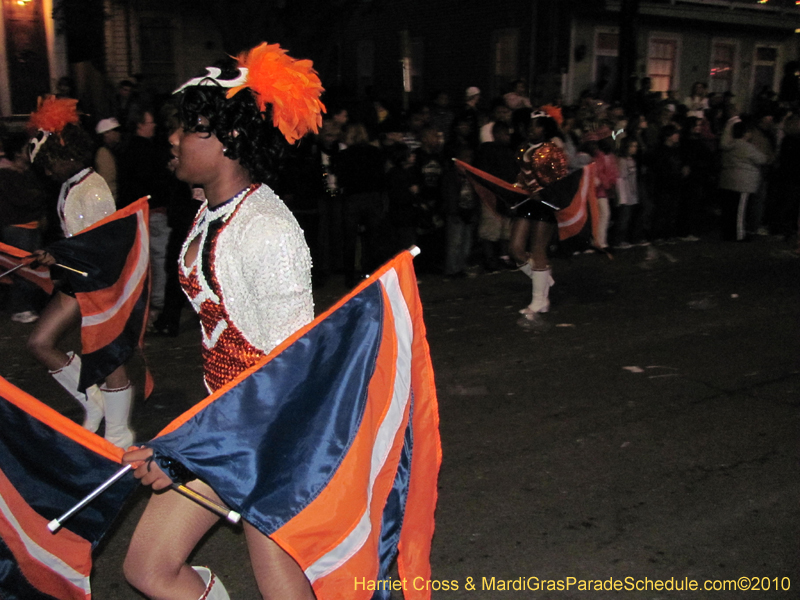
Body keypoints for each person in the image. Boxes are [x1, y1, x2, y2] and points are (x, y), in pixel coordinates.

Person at [122, 42, 324, 600]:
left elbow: (289, 374)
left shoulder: (268, 231)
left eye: (188, 129)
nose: (172, 138)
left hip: (271, 442)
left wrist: (191, 453)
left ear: (228, 140)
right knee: (149, 568)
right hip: (225, 428)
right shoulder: (213, 209)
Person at [24, 96, 134, 448]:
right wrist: (55, 256)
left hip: (98, 281)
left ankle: (118, 431)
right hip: (77, 278)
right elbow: (78, 238)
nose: (47, 171)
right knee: (40, 342)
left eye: (48, 164)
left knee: (106, 356)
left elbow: (104, 243)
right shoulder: (71, 185)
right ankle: (92, 401)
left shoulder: (93, 187)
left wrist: (58, 255)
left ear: (65, 155)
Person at [510, 110, 568, 323]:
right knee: (515, 248)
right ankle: (542, 280)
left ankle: (539, 301)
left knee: (538, 250)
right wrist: (515, 189)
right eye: (530, 125)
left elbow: (561, 180)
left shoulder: (553, 150)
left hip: (545, 205)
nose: (532, 129)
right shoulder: (523, 147)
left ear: (545, 128)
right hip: (526, 203)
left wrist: (542, 193)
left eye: (537, 125)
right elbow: (520, 175)